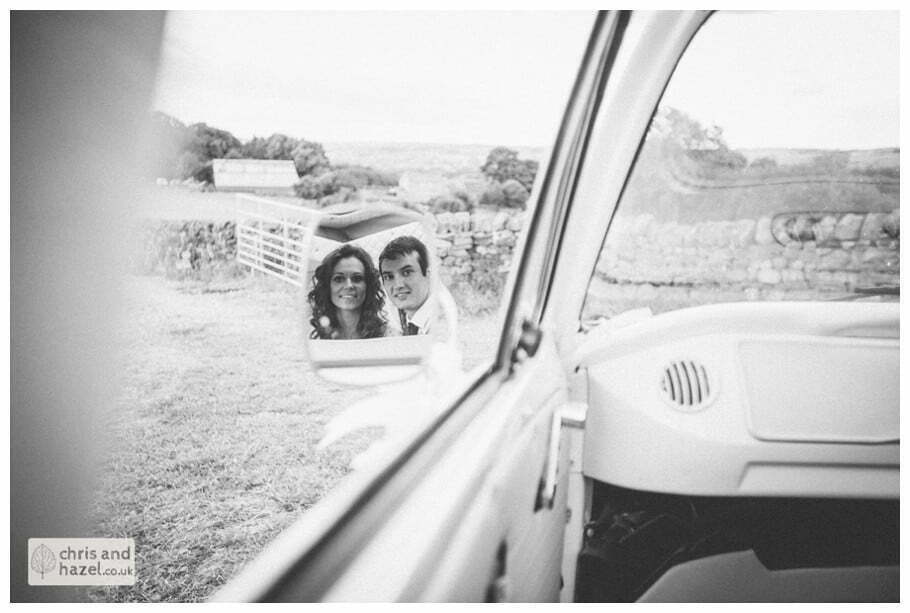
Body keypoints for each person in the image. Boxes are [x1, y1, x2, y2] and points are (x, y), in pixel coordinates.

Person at [307, 244, 388, 340]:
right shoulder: (311, 336)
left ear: (368, 285)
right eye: (339, 279)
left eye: (357, 278)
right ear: (327, 286)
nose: (349, 285)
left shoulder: (389, 335)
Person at [378, 235, 436, 336]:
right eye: (389, 277)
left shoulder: (439, 322)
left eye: (407, 273)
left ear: (428, 274)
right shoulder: (401, 319)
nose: (398, 285)